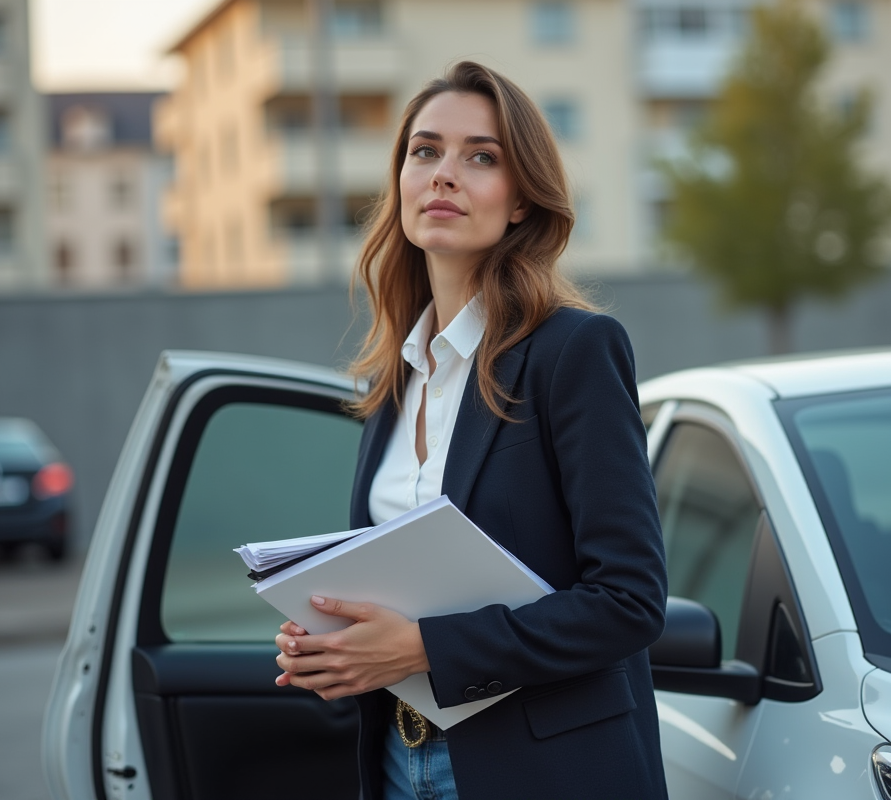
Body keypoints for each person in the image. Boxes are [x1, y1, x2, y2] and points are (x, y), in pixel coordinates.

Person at [273, 61, 669, 800]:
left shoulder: (574, 351)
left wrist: (420, 647)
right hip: (399, 757)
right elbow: (405, 578)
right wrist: (333, 641)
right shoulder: (396, 375)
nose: (444, 174)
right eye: (425, 151)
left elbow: (629, 601)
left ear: (520, 201)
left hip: (545, 772)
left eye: (480, 157)